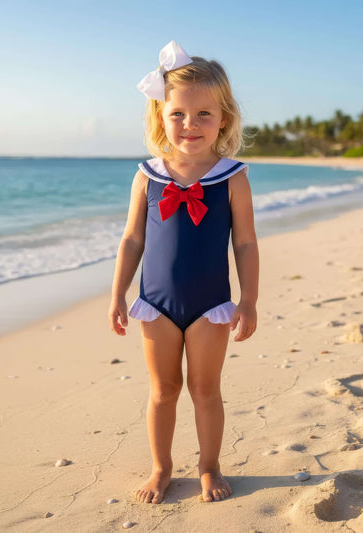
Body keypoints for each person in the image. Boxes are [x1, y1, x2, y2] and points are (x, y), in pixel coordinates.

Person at [108, 41, 259, 504]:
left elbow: (245, 242)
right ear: (160, 118)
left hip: (211, 304)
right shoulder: (147, 176)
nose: (189, 125)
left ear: (224, 119)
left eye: (203, 115)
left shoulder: (232, 176)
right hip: (154, 305)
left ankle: (210, 466)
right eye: (177, 114)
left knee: (205, 391)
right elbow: (133, 240)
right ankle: (161, 468)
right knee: (162, 391)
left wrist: (248, 300)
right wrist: (118, 294)